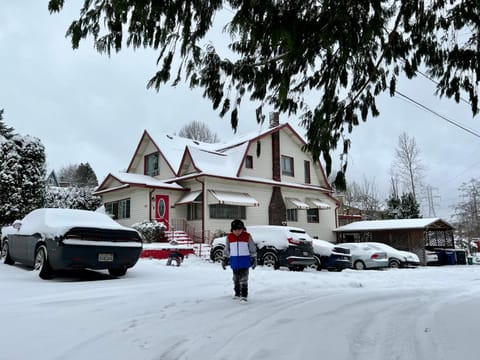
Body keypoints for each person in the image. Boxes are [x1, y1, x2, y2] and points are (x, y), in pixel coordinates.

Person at [222, 219, 257, 302]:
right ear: (232, 230)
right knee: (235, 279)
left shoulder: (247, 236)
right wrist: (225, 259)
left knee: (244, 279)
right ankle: (237, 293)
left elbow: (252, 247)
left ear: (243, 229)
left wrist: (254, 258)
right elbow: (227, 248)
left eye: (239, 230)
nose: (237, 232)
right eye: (235, 230)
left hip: (245, 262)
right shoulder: (229, 237)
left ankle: (244, 295)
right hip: (234, 262)